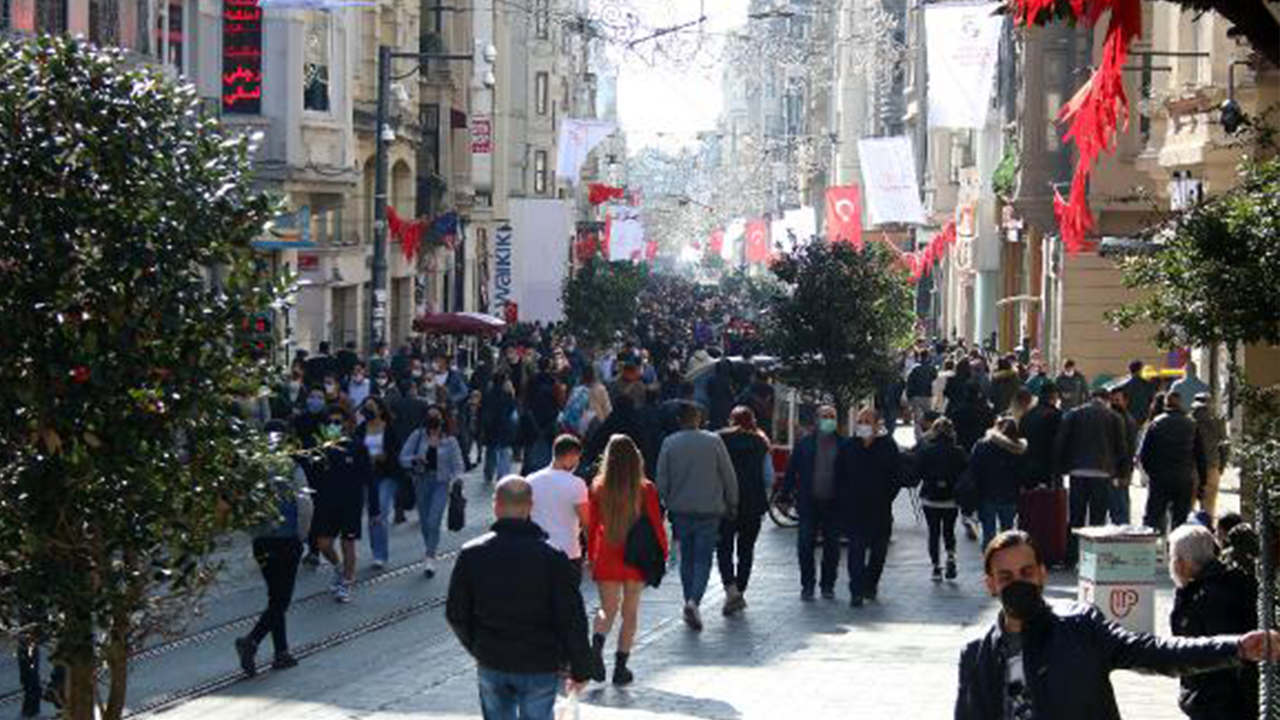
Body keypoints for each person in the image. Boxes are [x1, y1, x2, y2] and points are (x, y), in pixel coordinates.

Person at [955, 530, 1280, 720]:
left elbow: (1154, 652)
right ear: (991, 584)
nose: (1018, 583)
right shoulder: (976, 656)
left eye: (1026, 573)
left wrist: (1235, 647)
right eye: (1006, 577)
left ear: (1042, 574)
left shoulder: (1080, 626)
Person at [446, 476, 595, 719]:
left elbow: (456, 612)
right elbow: (571, 616)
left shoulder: (472, 554)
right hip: (540, 660)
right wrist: (581, 666)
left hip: (493, 657)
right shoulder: (552, 557)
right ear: (530, 507)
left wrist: (477, 646)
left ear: (496, 506)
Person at [587, 435, 668, 686]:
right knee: (630, 612)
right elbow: (656, 525)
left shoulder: (598, 486)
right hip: (636, 556)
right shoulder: (646, 488)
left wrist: (591, 556)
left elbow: (591, 526)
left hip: (607, 552)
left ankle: (596, 647)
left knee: (607, 608)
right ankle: (621, 668)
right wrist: (663, 553)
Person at [655, 401, 739, 630]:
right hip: (709, 509)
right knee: (703, 559)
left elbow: (661, 478)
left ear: (679, 420)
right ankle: (694, 602)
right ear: (698, 418)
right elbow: (728, 475)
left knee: (687, 559)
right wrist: (732, 502)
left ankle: (689, 602)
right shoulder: (713, 441)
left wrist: (665, 502)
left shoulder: (669, 442)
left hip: (681, 510)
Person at [1167, 525, 1259, 720]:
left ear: (1180, 562)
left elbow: (1189, 648)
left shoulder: (1205, 597)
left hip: (1217, 703)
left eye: (1172, 557)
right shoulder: (1224, 580)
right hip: (1220, 698)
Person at [236, 448, 308, 676]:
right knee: (281, 600)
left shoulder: (252, 469)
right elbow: (305, 504)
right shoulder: (292, 468)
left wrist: (254, 534)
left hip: (262, 542)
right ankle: (252, 640)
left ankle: (281, 652)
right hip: (287, 539)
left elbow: (242, 506)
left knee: (275, 596)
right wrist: (301, 535)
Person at [837, 407, 901, 607]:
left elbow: (896, 476)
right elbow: (839, 474)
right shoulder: (848, 446)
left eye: (867, 421)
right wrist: (845, 499)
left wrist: (886, 497)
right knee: (856, 551)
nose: (863, 425)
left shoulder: (888, 446)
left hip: (880, 510)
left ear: (876, 425)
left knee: (878, 553)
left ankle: (870, 585)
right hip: (855, 510)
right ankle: (856, 591)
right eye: (860, 421)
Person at [1055, 388, 1127, 565]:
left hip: (1078, 471)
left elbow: (1061, 441)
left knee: (1076, 517)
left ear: (1090, 398)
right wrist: (1121, 473)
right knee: (1097, 518)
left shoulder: (1074, 414)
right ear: (1106, 400)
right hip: (1103, 472)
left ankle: (1071, 558)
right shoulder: (1114, 417)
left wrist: (1061, 467)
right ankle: (1093, 560)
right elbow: (1121, 448)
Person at [311, 405, 375, 603]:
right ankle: (338, 568)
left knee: (348, 543)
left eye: (337, 422)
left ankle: (346, 582)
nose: (333, 426)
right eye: (329, 422)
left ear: (346, 424)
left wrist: (375, 508)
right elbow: (313, 477)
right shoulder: (319, 449)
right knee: (323, 544)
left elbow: (369, 478)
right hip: (326, 503)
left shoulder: (357, 447)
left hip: (351, 503)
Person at [783, 405, 845, 601]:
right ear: (817, 420)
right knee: (805, 545)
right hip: (809, 502)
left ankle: (828, 585)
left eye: (832, 416)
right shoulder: (805, 444)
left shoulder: (844, 445)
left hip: (834, 504)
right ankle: (807, 585)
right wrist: (784, 496)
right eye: (825, 416)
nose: (828, 420)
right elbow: (791, 471)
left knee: (832, 547)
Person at [716, 406, 773, 615]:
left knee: (724, 548)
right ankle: (740, 590)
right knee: (746, 550)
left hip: (725, 503)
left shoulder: (719, 440)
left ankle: (730, 590)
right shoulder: (761, 442)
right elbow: (769, 477)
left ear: (731, 420)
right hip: (753, 504)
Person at [400, 405, 466, 578]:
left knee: (433, 520)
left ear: (443, 418)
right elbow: (403, 457)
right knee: (424, 521)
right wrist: (415, 460)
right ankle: (429, 547)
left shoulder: (450, 440)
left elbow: (458, 464)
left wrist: (457, 480)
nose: (433, 420)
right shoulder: (418, 435)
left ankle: (430, 557)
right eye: (430, 416)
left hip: (441, 483)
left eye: (436, 416)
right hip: (421, 482)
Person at [1140, 392, 1208, 536]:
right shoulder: (1191, 423)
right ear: (1180, 403)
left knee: (1153, 517)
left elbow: (1144, 454)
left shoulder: (1156, 423)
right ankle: (1176, 546)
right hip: (1184, 478)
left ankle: (1153, 546)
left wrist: (1152, 473)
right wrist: (1203, 481)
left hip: (1160, 477)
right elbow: (1200, 455)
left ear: (1166, 404)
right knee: (1180, 519)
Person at [913, 417, 968, 581]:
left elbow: (918, 471)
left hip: (930, 498)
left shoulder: (926, 450)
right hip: (951, 499)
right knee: (949, 530)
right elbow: (965, 473)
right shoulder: (958, 451)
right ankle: (950, 557)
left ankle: (936, 568)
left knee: (933, 533)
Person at [527, 435, 589, 573]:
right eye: (577, 458)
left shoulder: (531, 480)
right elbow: (586, 522)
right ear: (571, 456)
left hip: (538, 550)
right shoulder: (577, 484)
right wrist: (592, 552)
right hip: (568, 551)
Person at [355, 396, 401, 569]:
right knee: (373, 514)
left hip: (386, 475)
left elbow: (397, 452)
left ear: (380, 410)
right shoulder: (361, 429)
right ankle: (377, 552)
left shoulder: (390, 429)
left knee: (380, 511)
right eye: (365, 406)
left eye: (371, 406)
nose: (368, 409)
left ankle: (380, 554)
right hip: (368, 477)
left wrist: (384, 457)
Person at [970, 417, 1028, 549]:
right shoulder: (1019, 449)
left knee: (988, 534)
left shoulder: (982, 445)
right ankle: (1005, 559)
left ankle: (989, 559)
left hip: (986, 494)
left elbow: (973, 470)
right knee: (1007, 534)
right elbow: (1023, 474)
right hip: (1010, 495)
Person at [1190, 393, 1227, 517]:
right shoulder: (1217, 421)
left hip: (1192, 466)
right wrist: (1222, 465)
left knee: (1188, 503)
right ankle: (1208, 525)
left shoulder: (1188, 420)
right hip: (1212, 464)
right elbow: (1224, 445)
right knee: (1209, 504)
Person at [1020, 383, 1062, 488]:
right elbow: (1059, 443)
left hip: (1028, 465)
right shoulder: (1055, 415)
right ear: (1054, 396)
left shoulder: (1027, 415)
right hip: (1048, 467)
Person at [1108, 388, 1140, 525]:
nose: (1114, 403)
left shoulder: (1125, 420)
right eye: (1112, 400)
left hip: (1119, 471)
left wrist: (1123, 473)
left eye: (1117, 400)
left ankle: (1122, 533)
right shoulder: (1117, 418)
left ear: (1125, 402)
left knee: (1119, 508)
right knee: (1119, 506)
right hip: (1116, 470)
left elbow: (1128, 449)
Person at [481, 374, 518, 485]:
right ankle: (503, 476)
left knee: (490, 451)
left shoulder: (488, 394)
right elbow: (512, 411)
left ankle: (488, 474)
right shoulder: (507, 395)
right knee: (504, 452)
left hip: (491, 428)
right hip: (504, 427)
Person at [906, 350, 938, 441]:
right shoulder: (932, 368)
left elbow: (909, 383)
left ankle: (918, 439)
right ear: (927, 357)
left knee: (917, 419)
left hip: (916, 396)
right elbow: (935, 380)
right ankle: (928, 437)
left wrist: (909, 396)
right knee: (929, 418)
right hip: (927, 395)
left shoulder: (914, 368)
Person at [1115, 359, 1157, 425]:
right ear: (1140, 370)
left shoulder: (1124, 385)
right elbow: (1151, 400)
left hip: (1128, 418)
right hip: (1143, 418)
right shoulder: (1148, 385)